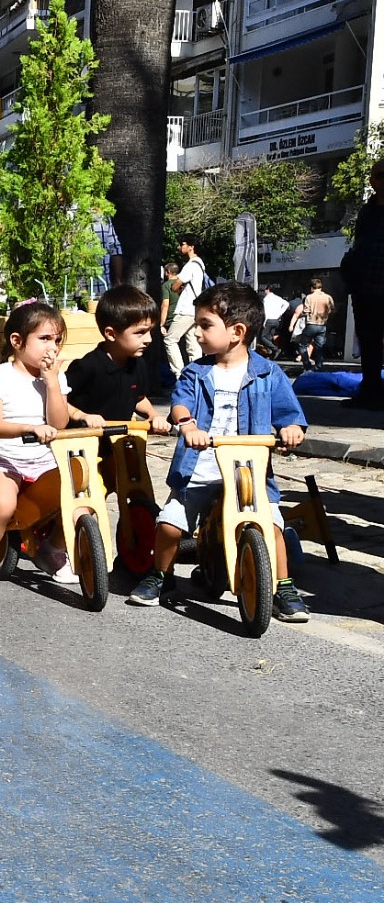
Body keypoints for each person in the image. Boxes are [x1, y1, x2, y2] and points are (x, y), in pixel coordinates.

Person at [128, 282, 308, 622]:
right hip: (201, 467)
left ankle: (284, 586)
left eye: (205, 325)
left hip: (249, 472)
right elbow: (180, 404)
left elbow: (289, 413)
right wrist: (188, 426)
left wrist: (291, 429)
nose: (196, 332)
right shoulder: (196, 372)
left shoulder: (268, 373)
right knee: (170, 524)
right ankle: (160, 574)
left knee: (272, 525)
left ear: (237, 332)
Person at [0, 302, 78, 594]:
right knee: (2, 504)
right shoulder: (0, 375)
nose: (52, 348)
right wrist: (29, 428)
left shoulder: (55, 377)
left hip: (43, 460)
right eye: (44, 339)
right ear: (17, 341)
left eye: (57, 340)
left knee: (76, 497)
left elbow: (59, 423)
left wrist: (52, 384)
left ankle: (53, 549)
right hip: (2, 459)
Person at [65, 284, 171, 435]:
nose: (149, 339)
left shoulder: (138, 364)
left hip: (119, 442)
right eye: (140, 332)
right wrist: (82, 416)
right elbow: (59, 401)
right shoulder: (87, 366)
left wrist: (153, 415)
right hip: (84, 442)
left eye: (150, 331)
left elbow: (138, 398)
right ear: (111, 334)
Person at [340, 159, 384, 409]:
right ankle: (370, 392)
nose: (382, 180)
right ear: (372, 180)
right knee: (369, 341)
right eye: (379, 175)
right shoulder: (367, 211)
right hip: (364, 285)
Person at [165, 234, 207, 376]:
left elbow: (176, 285)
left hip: (186, 309)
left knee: (170, 340)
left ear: (191, 247)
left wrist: (176, 288)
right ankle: (197, 374)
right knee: (193, 345)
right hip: (196, 309)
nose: (179, 247)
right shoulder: (201, 264)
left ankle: (179, 373)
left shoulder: (191, 264)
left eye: (182, 244)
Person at [291, 277, 335, 371]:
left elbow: (306, 311)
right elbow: (332, 309)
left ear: (312, 288)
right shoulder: (328, 297)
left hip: (311, 324)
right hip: (322, 325)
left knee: (302, 345)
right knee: (319, 346)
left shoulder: (309, 297)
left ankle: (307, 365)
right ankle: (319, 366)